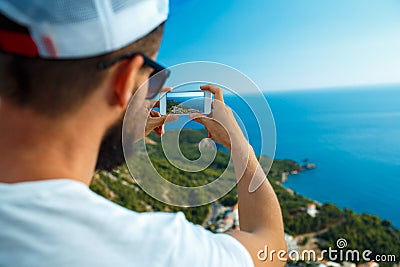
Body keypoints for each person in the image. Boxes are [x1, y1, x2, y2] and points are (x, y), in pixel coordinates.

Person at [0, 1, 286, 266]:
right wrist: (237, 142)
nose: (155, 90)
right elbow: (271, 248)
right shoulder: (156, 252)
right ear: (124, 79)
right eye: (154, 75)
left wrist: (121, 130)